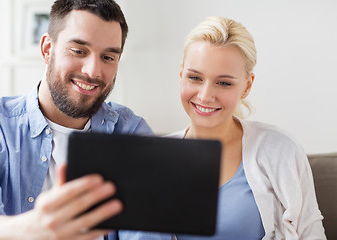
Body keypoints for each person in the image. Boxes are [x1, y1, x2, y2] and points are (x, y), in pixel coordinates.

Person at [123, 16, 327, 240]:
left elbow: (311, 233)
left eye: (224, 83)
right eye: (195, 78)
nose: (205, 96)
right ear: (181, 76)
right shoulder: (153, 159)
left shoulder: (280, 150)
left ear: (247, 86)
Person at [0, 0, 152, 239]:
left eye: (108, 57)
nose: (93, 71)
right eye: (79, 51)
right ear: (47, 49)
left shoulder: (131, 132)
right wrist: (32, 229)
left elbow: (147, 231)